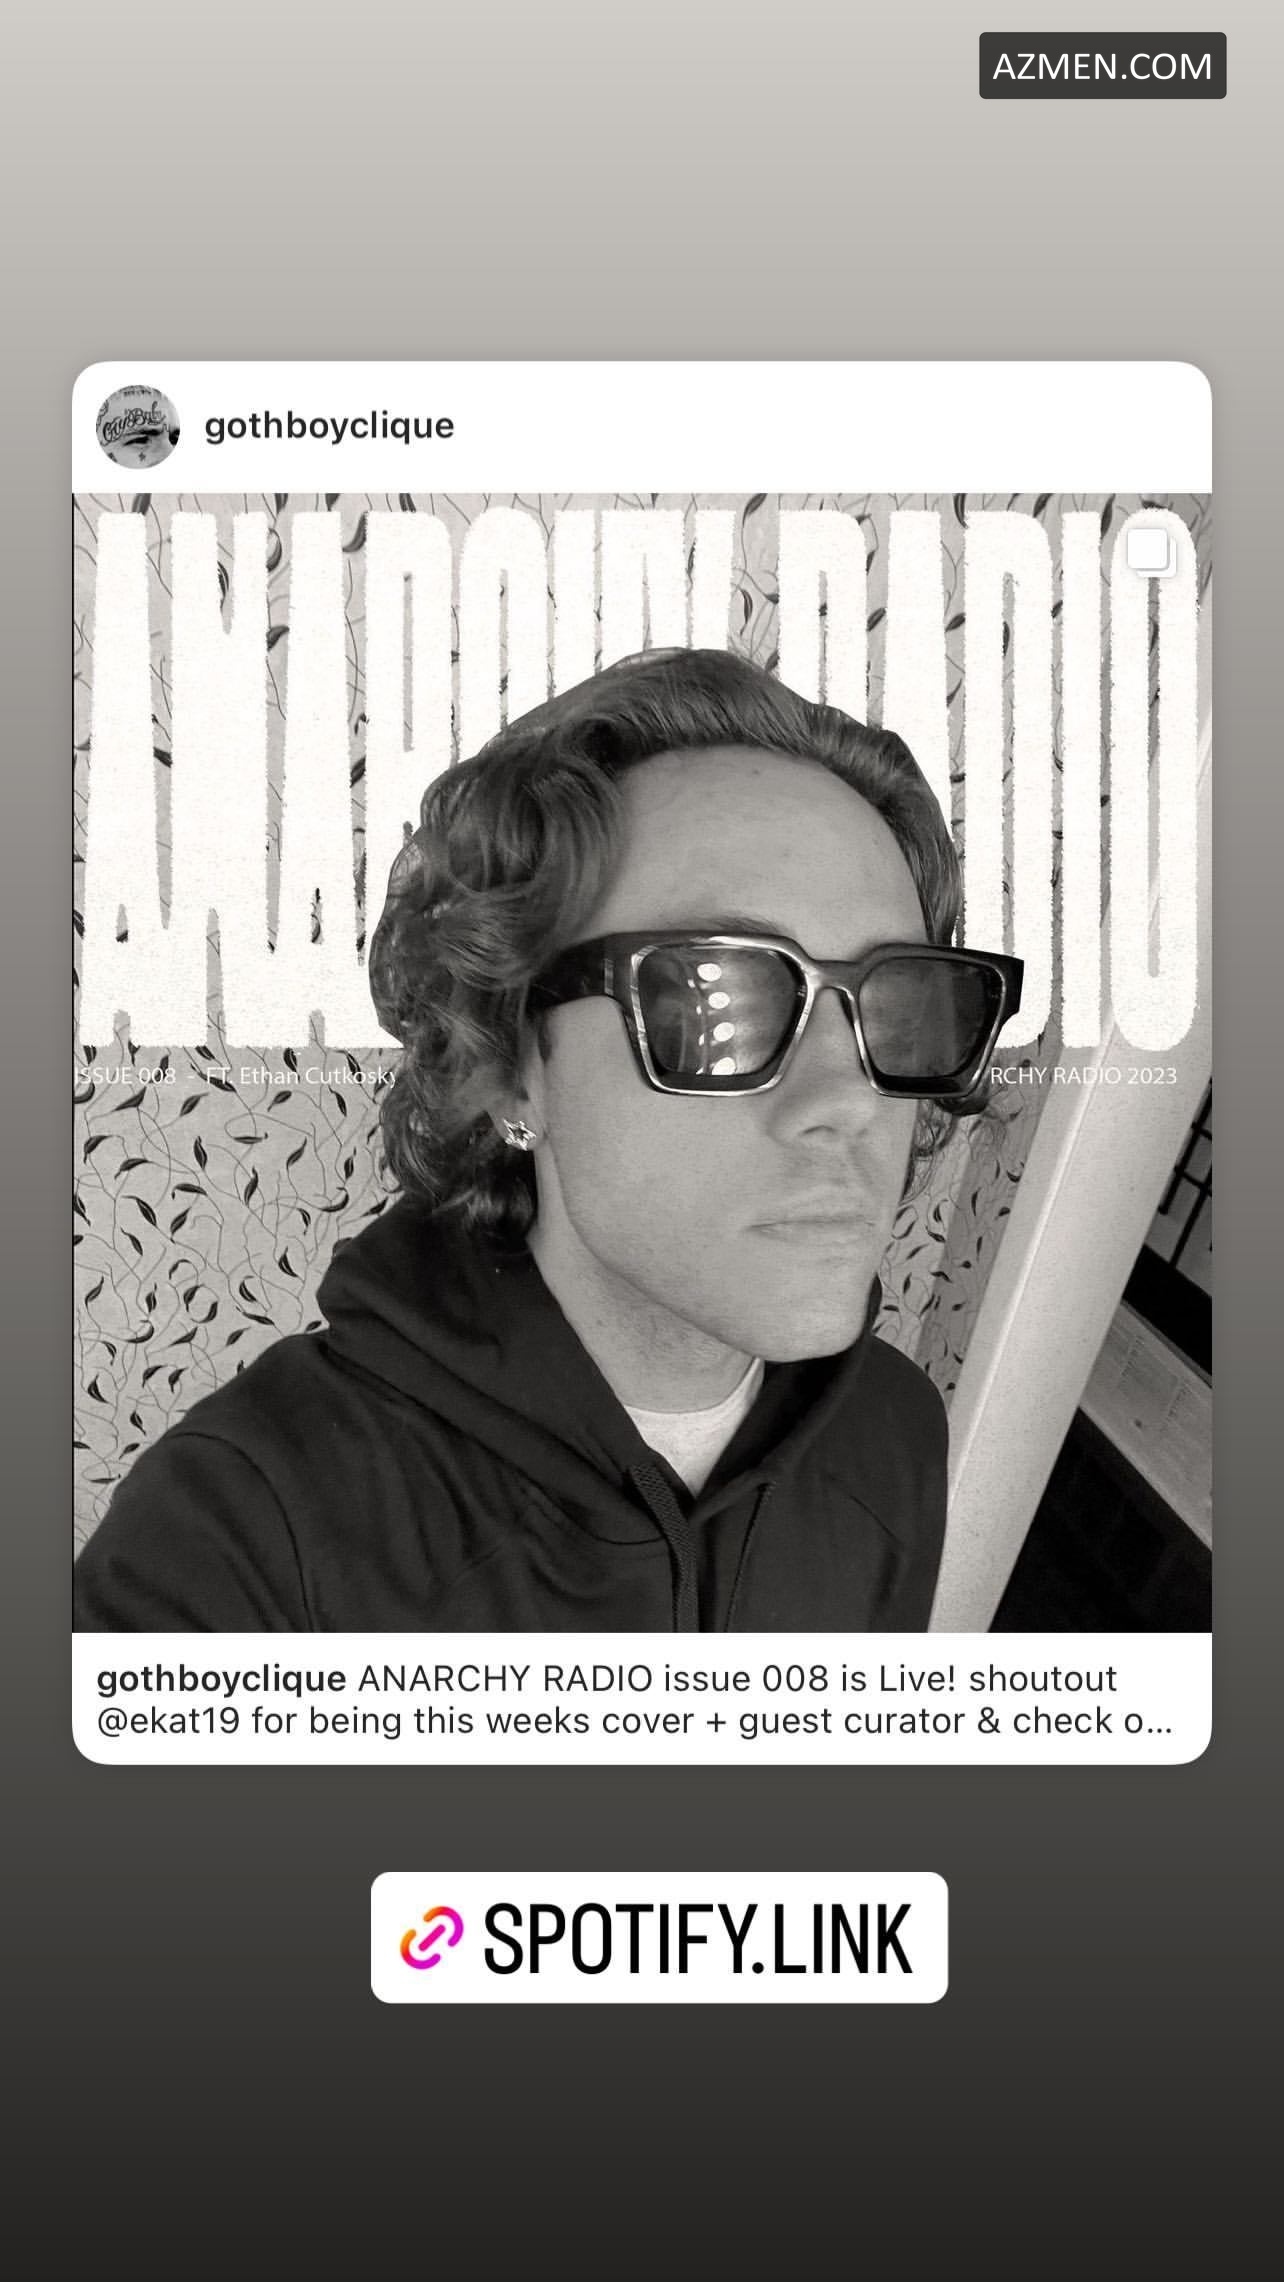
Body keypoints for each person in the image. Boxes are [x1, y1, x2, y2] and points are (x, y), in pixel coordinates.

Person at [74, 648, 1022, 1633]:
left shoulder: (894, 1435)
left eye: (901, 1003)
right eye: (719, 999)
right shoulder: (241, 1543)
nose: (851, 1100)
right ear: (510, 1066)